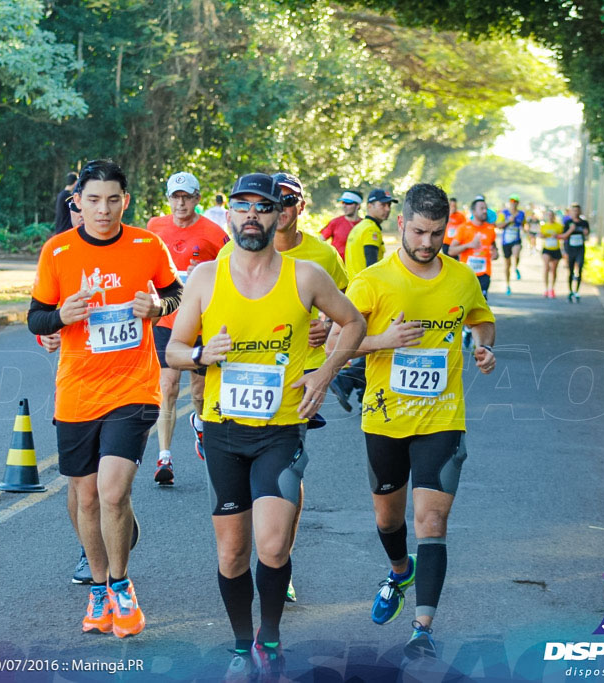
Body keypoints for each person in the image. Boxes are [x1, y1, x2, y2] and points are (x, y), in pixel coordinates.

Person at [166, 172, 366, 680]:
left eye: (263, 206)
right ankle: (240, 644)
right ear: (228, 214)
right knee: (233, 552)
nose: (252, 215)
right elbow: (172, 349)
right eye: (242, 206)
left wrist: (324, 373)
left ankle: (269, 638)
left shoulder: (306, 275)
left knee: (273, 545)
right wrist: (199, 355)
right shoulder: (207, 277)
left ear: (281, 215)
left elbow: (356, 322)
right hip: (224, 430)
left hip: (281, 430)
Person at [27, 159, 183, 638]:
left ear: (125, 201)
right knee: (84, 497)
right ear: (78, 202)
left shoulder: (146, 244)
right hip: (77, 391)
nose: (103, 209)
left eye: (112, 199)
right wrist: (59, 319)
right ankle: (97, 588)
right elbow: (36, 318)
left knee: (113, 491)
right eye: (93, 200)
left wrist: (158, 306)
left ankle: (120, 585)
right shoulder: (58, 252)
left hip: (133, 387)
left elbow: (176, 292)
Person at [346, 182, 496, 659]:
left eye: (436, 233)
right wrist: (382, 340)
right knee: (388, 519)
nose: (427, 243)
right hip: (385, 420)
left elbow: (480, 318)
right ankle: (398, 571)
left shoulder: (461, 278)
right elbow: (336, 344)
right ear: (400, 224)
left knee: (431, 520)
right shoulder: (372, 281)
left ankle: (422, 628)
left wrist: (484, 344)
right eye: (418, 231)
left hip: (442, 419)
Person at [217, 171, 349, 604]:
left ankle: (279, 556)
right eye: (280, 200)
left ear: (297, 208)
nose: (284, 208)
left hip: (299, 379)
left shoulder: (322, 257)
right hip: (239, 382)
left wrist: (325, 341)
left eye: (290, 201)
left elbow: (348, 309)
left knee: (289, 468)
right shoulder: (233, 252)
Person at [146, 172, 229, 485]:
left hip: (200, 322)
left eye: (187, 197)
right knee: (166, 386)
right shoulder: (155, 227)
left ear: (197, 199)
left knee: (198, 391)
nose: (180, 203)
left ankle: (201, 423)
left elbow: (232, 268)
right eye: (175, 197)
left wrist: (204, 272)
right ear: (168, 199)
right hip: (167, 319)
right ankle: (164, 457)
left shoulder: (213, 233)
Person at [449, 197, 497, 350]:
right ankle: (466, 330)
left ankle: (477, 339)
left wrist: (495, 253)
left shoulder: (490, 229)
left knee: (480, 307)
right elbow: (451, 251)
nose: (484, 211)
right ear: (473, 211)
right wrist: (470, 245)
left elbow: (494, 249)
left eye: (485, 208)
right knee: (464, 306)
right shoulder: (463, 228)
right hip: (467, 274)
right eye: (481, 208)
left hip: (484, 274)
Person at [345, 189, 395, 277]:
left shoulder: (359, 226)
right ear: (370, 206)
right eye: (383, 205)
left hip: (354, 285)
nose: (388, 209)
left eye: (389, 205)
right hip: (366, 287)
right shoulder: (371, 229)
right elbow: (372, 265)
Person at [320, 190, 363, 260]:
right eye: (343, 203)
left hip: (356, 268)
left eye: (348, 203)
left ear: (358, 206)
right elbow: (319, 241)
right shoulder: (335, 222)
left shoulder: (364, 225)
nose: (344, 206)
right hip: (337, 267)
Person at [496, 194, 525, 295]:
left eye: (515, 201)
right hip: (506, 241)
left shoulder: (521, 213)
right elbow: (498, 225)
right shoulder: (504, 213)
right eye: (512, 201)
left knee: (516, 253)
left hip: (516, 239)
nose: (513, 203)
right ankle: (508, 285)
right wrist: (508, 221)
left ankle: (516, 267)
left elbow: (523, 225)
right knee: (507, 264)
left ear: (518, 203)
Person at [561, 203, 590, 302]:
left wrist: (586, 233)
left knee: (580, 267)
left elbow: (587, 234)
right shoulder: (568, 222)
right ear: (571, 212)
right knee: (571, 270)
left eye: (577, 210)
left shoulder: (584, 223)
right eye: (573, 211)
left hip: (580, 249)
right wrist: (571, 230)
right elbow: (564, 236)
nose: (575, 212)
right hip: (571, 249)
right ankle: (570, 291)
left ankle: (577, 290)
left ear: (580, 212)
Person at [539, 209, 563, 298]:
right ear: (546, 217)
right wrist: (545, 236)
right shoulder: (544, 226)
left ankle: (551, 289)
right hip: (547, 249)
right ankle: (545, 289)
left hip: (556, 249)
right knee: (546, 267)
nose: (550, 217)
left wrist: (557, 236)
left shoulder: (559, 226)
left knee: (554, 270)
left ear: (554, 216)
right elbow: (540, 235)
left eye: (552, 215)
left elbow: (563, 236)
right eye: (548, 215)